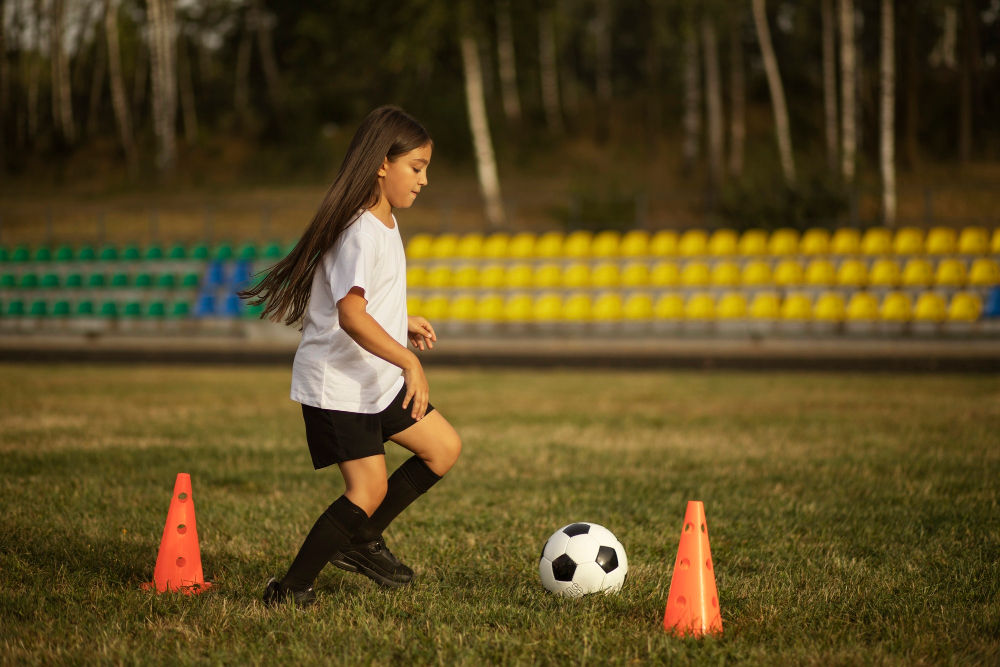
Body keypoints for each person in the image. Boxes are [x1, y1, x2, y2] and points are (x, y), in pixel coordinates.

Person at [239, 106, 462, 607]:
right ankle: (291, 590)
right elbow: (351, 315)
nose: (425, 180)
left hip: (371, 378)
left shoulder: (384, 222)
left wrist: (400, 318)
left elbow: (362, 300)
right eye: (417, 167)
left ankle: (360, 541)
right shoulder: (359, 229)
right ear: (383, 163)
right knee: (367, 490)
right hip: (338, 384)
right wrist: (409, 360)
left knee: (442, 448)